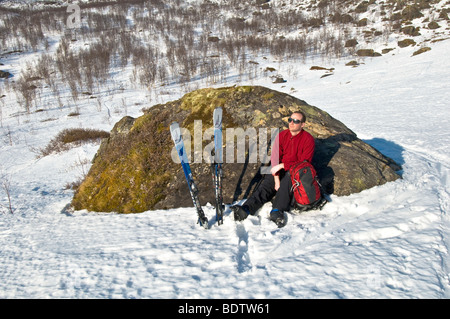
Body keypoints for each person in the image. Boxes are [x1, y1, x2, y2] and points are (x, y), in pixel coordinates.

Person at [231, 111, 315, 227]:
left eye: (296, 121)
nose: (291, 123)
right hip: (279, 168)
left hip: (296, 171)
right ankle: (246, 209)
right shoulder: (282, 136)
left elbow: (304, 163)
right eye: (290, 120)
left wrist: (282, 166)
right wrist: (276, 179)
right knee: (267, 182)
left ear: (302, 124)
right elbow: (275, 157)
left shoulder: (308, 139)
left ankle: (277, 210)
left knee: (288, 178)